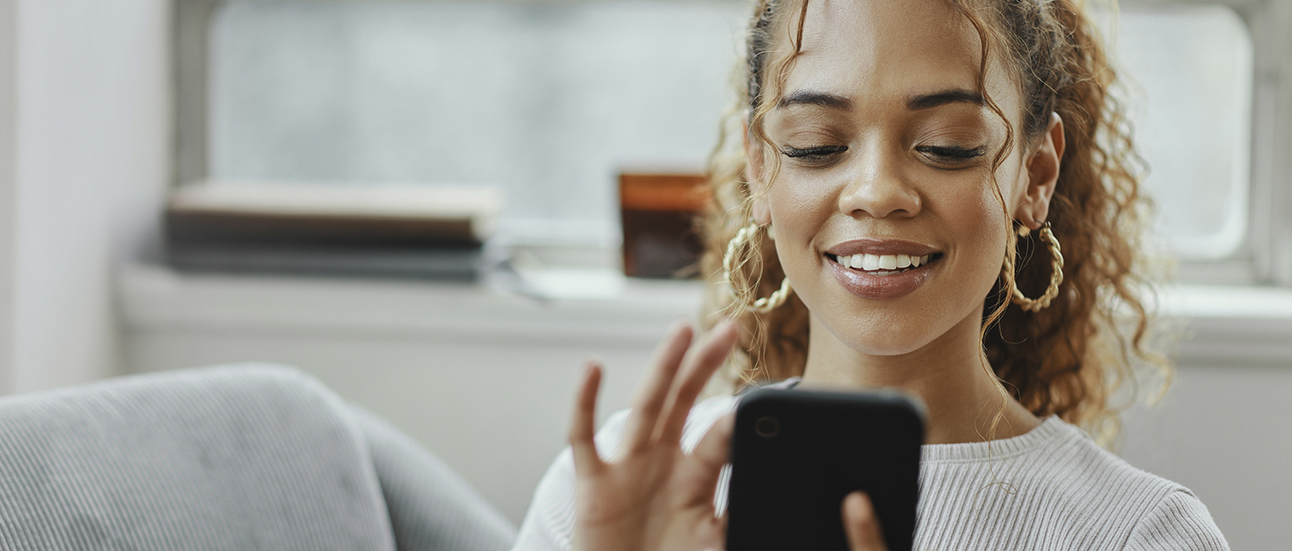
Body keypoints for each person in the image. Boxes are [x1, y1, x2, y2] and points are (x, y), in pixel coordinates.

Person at [512, 0, 1229, 549]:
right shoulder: (614, 484)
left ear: (1035, 174)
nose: (877, 191)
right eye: (818, 145)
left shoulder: (1142, 533)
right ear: (760, 170)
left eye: (947, 147)